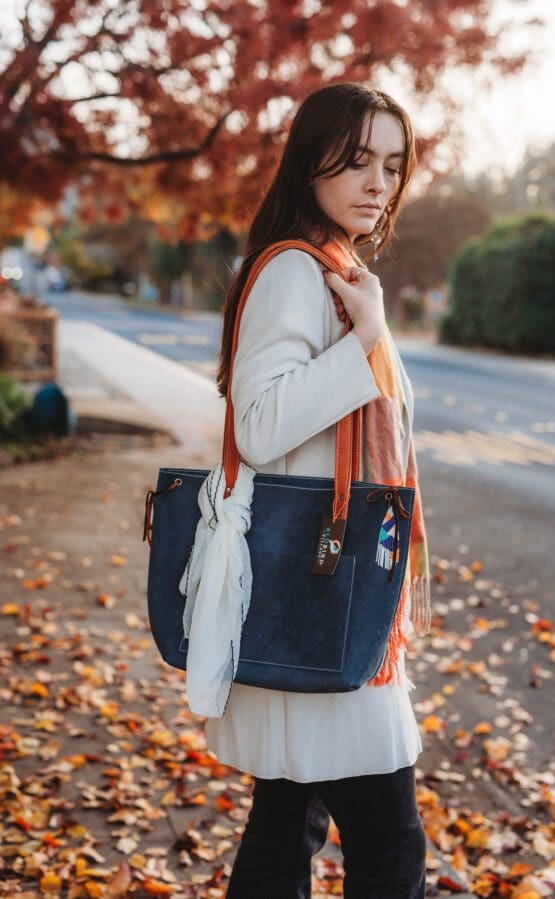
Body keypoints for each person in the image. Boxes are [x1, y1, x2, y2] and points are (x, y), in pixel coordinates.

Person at [210, 82, 430, 898]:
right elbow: (261, 423)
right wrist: (367, 337)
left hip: (321, 593)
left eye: (394, 165)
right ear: (311, 163)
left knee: (283, 829)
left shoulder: (333, 266)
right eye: (359, 159)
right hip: (321, 594)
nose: (380, 182)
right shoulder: (295, 273)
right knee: (389, 849)